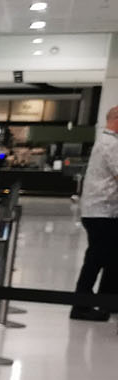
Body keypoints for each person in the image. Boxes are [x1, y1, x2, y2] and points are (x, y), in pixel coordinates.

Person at [75, 105, 118, 321]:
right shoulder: (111, 144)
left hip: (103, 210)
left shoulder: (106, 142)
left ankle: (106, 301)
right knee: (97, 258)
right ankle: (82, 304)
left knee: (110, 258)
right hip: (103, 211)